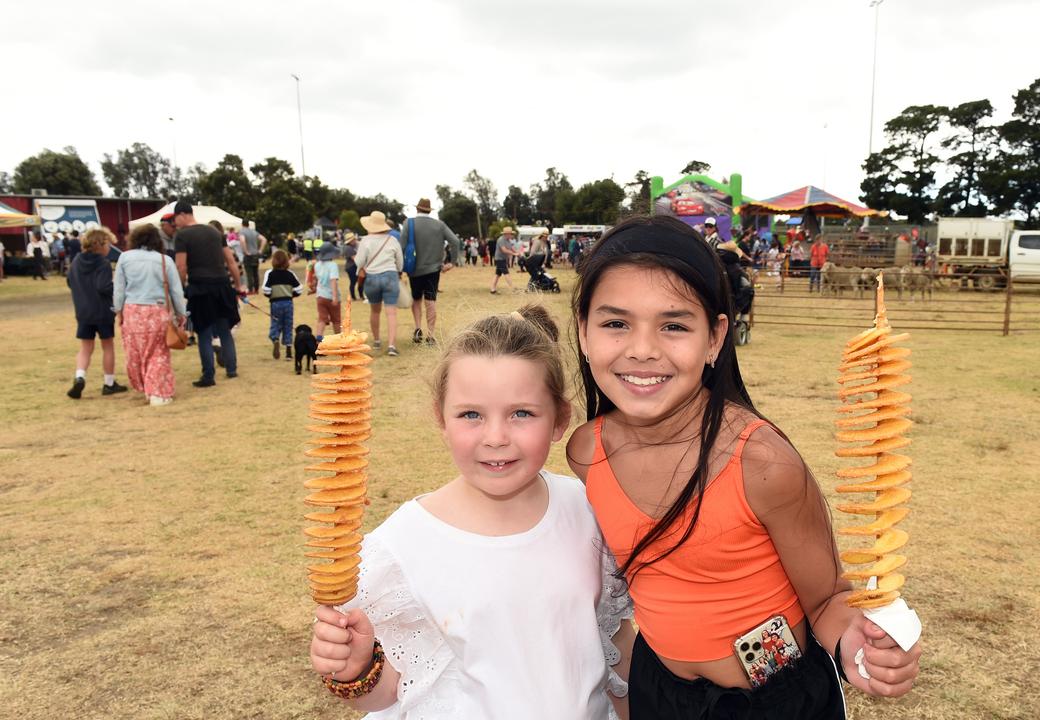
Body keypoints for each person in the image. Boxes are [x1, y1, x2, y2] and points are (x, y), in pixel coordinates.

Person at [566, 216, 922, 717]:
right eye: (615, 323)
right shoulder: (587, 452)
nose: (642, 349)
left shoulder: (762, 463)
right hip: (658, 692)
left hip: (773, 702)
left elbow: (825, 602)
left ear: (714, 338)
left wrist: (860, 646)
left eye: (673, 325)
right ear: (583, 332)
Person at [309, 305, 633, 719]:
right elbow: (390, 692)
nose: (495, 437)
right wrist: (355, 668)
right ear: (440, 419)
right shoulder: (401, 549)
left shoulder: (587, 510)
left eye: (521, 413)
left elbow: (613, 644)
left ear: (559, 420)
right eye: (471, 415)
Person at [112, 224, 186, 406]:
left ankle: (145, 385)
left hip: (132, 311)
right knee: (158, 352)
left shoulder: (125, 258)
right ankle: (158, 392)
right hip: (158, 310)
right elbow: (176, 291)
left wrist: (118, 311)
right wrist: (181, 313)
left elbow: (119, 289)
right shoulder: (164, 260)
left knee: (135, 352)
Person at [174, 200, 244, 386]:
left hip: (199, 287)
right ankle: (231, 369)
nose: (176, 224)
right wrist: (237, 285)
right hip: (221, 286)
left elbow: (181, 266)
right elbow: (230, 261)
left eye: (176, 219)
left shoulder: (182, 236)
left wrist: (180, 288)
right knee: (224, 330)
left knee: (203, 332)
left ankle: (208, 375)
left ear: (182, 214)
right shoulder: (215, 232)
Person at [66, 228, 128, 399]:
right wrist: (118, 290)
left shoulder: (76, 261)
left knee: (86, 348)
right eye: (108, 243)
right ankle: (109, 383)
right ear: (100, 244)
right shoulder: (102, 263)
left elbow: (70, 281)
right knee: (107, 345)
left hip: (83, 311)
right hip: (102, 311)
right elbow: (103, 286)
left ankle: (80, 376)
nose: (110, 247)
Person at [401, 198, 462, 345]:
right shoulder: (439, 225)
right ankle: (430, 334)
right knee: (431, 300)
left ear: (417, 209)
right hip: (433, 269)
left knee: (416, 299)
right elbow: (455, 241)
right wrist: (451, 262)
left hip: (414, 268)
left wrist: (400, 266)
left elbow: (401, 246)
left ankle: (417, 328)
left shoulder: (408, 223)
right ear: (429, 210)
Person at [354, 211, 404, 356]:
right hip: (390, 276)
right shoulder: (392, 240)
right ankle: (392, 346)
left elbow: (358, 262)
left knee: (375, 311)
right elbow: (400, 264)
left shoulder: (365, 241)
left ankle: (376, 341)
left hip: (372, 278)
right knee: (391, 313)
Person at [261, 250, 303, 360]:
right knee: (288, 324)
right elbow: (299, 289)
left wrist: (271, 295)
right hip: (288, 303)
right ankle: (289, 351)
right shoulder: (290, 274)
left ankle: (275, 339)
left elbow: (265, 290)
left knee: (275, 323)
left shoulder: (270, 273)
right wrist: (291, 295)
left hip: (275, 303)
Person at [313, 241, 343, 335]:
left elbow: (317, 279)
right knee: (336, 320)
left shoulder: (317, 265)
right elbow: (333, 280)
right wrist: (335, 297)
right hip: (330, 296)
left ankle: (318, 338)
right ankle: (338, 339)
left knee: (322, 319)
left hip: (320, 296)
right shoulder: (333, 265)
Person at [489, 226, 518, 294]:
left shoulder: (508, 240)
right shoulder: (501, 240)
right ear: (506, 234)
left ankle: (492, 289)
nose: (511, 235)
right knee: (506, 273)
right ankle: (513, 288)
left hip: (503, 259)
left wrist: (517, 252)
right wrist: (514, 254)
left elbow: (511, 248)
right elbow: (504, 250)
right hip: (499, 259)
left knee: (497, 274)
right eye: (511, 234)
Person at [240, 219, 264, 294]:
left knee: (249, 273)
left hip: (248, 255)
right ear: (248, 224)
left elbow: (243, 240)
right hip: (255, 254)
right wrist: (260, 250)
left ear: (242, 224)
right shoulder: (254, 232)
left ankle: (250, 290)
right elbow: (264, 239)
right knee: (255, 273)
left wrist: (246, 251)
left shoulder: (242, 231)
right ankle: (256, 289)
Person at [341, 231, 362, 301]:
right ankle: (353, 297)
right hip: (351, 267)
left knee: (354, 281)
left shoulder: (350, 247)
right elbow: (355, 258)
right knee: (353, 282)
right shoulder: (348, 248)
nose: (355, 241)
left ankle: (355, 296)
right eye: (353, 240)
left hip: (351, 266)